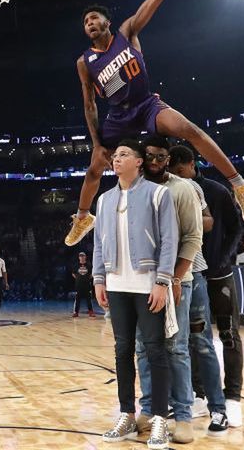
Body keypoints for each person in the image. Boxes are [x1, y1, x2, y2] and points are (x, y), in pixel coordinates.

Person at [62, 0, 244, 248]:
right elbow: (89, 104)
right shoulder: (84, 62)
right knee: (94, 169)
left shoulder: (126, 32)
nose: (89, 23)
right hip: (119, 117)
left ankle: (240, 186)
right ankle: (82, 217)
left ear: (107, 22)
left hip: (145, 104)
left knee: (189, 130)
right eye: (85, 21)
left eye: (94, 18)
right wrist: (98, 143)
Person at [134, 135, 228, 442]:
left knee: (196, 343)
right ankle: (167, 407)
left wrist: (176, 274)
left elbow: (203, 227)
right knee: (152, 346)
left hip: (191, 273)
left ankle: (217, 407)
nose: (156, 162)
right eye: (151, 156)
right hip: (151, 279)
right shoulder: (134, 188)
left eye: (163, 158)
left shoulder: (190, 188)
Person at [93, 139, 178, 450]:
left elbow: (170, 240)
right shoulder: (103, 200)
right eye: (115, 156)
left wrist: (162, 281)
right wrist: (99, 278)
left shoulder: (158, 194)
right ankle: (127, 413)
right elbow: (99, 243)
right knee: (121, 350)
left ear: (140, 161)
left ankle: (159, 419)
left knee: (156, 350)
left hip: (147, 285)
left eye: (124, 155)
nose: (117, 159)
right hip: (116, 284)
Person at [169, 145, 244, 427]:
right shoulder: (173, 190)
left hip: (220, 274)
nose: (177, 176)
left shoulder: (216, 191)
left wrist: (224, 258)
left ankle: (233, 398)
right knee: (193, 337)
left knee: (228, 335)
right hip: (194, 273)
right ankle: (199, 395)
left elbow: (236, 228)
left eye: (179, 171)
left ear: (192, 165)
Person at [72, 251, 95, 318]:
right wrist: (78, 278)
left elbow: (92, 273)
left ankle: (91, 312)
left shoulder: (89, 265)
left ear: (85, 257)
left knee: (89, 300)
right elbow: (73, 273)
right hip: (78, 285)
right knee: (77, 299)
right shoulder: (76, 265)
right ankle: (76, 312)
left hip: (87, 285)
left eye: (83, 256)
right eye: (80, 256)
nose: (81, 257)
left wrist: (87, 279)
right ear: (79, 257)